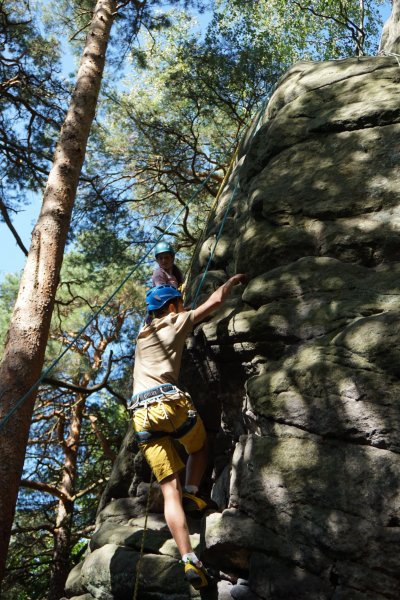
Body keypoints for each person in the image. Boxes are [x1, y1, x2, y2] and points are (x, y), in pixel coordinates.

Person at [129, 274, 246, 590]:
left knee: (169, 492)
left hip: (140, 416)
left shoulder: (142, 333)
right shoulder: (175, 320)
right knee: (199, 447)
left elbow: (174, 315)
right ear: (172, 306)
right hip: (167, 403)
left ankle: (188, 559)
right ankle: (194, 492)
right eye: (177, 304)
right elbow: (215, 303)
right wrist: (233, 282)